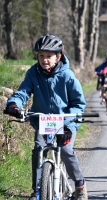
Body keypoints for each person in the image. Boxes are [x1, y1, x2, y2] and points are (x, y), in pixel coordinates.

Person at [4, 34, 88, 200]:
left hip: (65, 122)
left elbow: (78, 104)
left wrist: (68, 124)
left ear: (58, 56)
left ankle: (79, 184)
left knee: (65, 150)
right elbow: (23, 92)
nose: (44, 60)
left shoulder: (67, 76)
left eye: (49, 56)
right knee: (38, 150)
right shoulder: (33, 73)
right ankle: (37, 189)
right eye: (41, 55)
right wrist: (14, 104)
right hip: (43, 121)